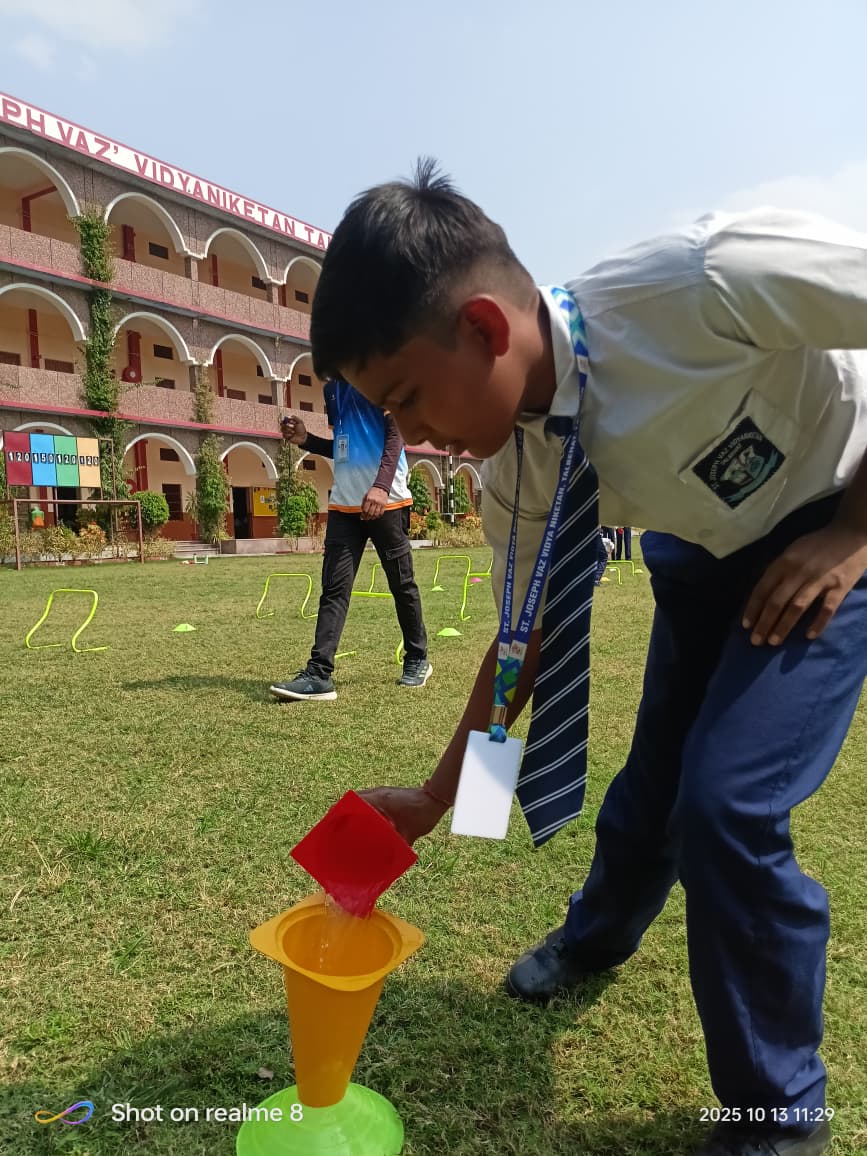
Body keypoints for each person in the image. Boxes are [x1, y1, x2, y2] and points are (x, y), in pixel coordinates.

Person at [304, 162, 867, 1156]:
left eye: (407, 398)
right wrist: (442, 796)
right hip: (698, 558)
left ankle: (777, 1125)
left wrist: (856, 529)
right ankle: (593, 938)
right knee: (653, 790)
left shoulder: (705, 280)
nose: (412, 437)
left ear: (483, 326)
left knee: (725, 803)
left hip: (834, 521)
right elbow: (528, 639)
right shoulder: (515, 465)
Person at [269, 377, 432, 701]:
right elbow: (345, 446)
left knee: (402, 584)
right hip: (345, 502)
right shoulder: (332, 389)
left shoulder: (376, 371)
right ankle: (319, 674)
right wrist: (307, 440)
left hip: (387, 500)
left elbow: (396, 431)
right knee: (334, 589)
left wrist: (382, 487)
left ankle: (417, 658)